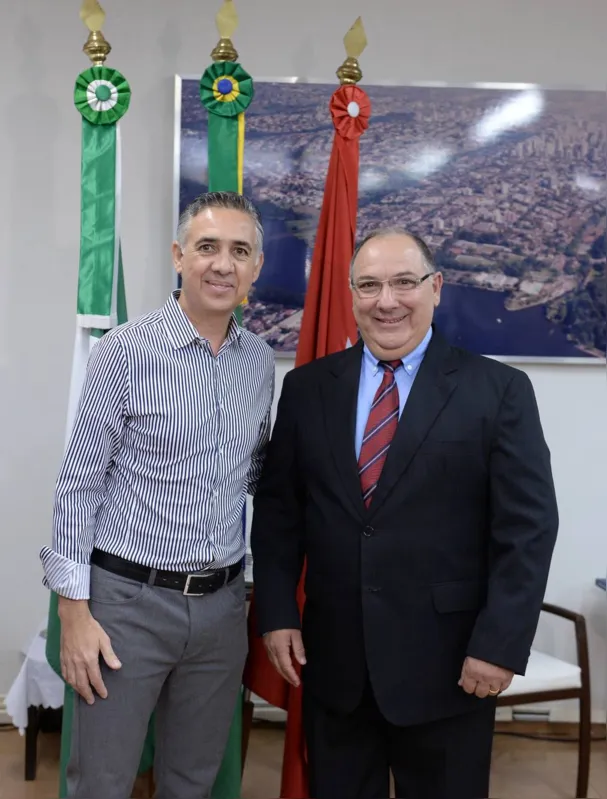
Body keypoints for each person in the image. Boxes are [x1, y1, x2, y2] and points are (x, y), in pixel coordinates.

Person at [250, 227, 558, 799]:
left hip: (451, 670)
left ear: (436, 288)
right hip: (334, 666)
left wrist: (498, 644)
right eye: (368, 285)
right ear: (351, 294)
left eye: (403, 283)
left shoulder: (498, 390)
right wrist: (276, 614)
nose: (385, 301)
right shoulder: (306, 388)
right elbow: (278, 514)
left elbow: (528, 530)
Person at [40, 191, 274, 799]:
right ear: (179, 256)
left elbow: (251, 480)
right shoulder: (124, 350)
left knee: (192, 781)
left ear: (256, 268)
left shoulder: (258, 363)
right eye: (207, 248)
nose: (223, 265)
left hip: (221, 610)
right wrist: (73, 613)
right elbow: (80, 483)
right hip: (125, 608)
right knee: (103, 781)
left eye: (239, 251)